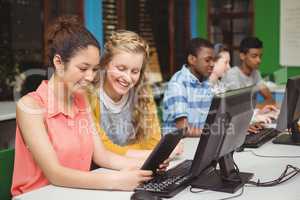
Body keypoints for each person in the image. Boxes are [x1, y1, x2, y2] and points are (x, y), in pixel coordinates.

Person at [11, 16, 166, 196]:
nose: (91, 77)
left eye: (94, 69)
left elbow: (103, 157)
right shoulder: (30, 107)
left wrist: (150, 164)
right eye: (83, 69)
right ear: (59, 62)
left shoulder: (81, 99)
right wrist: (116, 181)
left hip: (75, 194)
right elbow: (55, 174)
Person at [88, 30, 182, 159]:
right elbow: (101, 148)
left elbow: (152, 142)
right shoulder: (89, 94)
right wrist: (151, 154)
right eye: (121, 68)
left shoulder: (142, 92)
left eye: (135, 71)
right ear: (105, 64)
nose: (127, 77)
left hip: (133, 166)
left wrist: (152, 151)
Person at [162, 38, 214, 137]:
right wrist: (217, 134)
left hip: (197, 142)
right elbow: (183, 129)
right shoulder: (178, 84)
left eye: (213, 60)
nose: (212, 64)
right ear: (192, 60)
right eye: (207, 60)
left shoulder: (206, 82)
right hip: (179, 147)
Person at [221, 36, 274, 105]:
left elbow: (269, 96)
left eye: (260, 56)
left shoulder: (255, 73)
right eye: (254, 56)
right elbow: (239, 104)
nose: (259, 60)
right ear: (242, 56)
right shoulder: (232, 75)